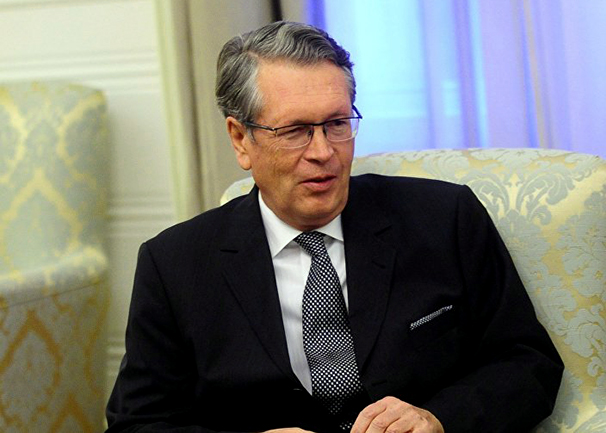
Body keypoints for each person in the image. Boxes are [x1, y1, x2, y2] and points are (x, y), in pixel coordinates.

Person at [106, 21, 563, 433]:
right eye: (295, 131)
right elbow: (137, 423)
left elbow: (528, 362)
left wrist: (438, 418)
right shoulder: (175, 264)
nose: (324, 152)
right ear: (241, 140)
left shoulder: (445, 219)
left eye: (337, 124)